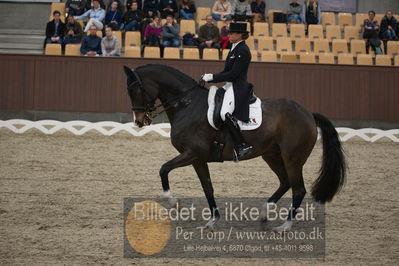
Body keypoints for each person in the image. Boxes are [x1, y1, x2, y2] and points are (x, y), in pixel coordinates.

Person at [201, 22, 253, 161]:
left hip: (237, 87)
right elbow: (226, 72)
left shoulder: (243, 50)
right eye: (229, 33)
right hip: (229, 85)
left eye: (231, 33)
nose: (228, 35)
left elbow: (234, 74)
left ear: (240, 35)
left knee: (225, 113)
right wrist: (211, 78)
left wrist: (212, 77)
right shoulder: (233, 48)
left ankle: (242, 145)